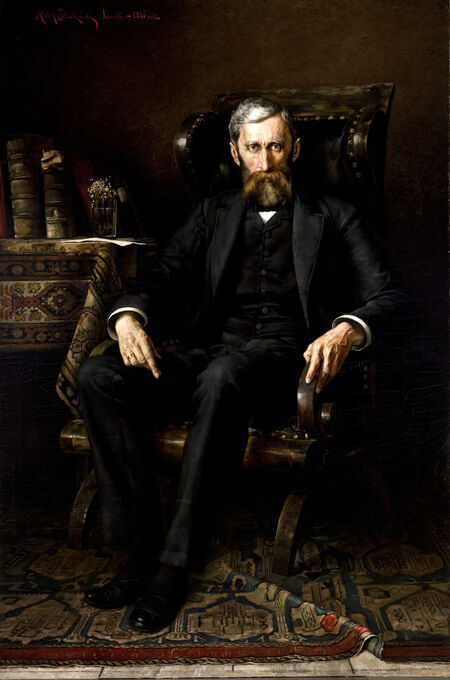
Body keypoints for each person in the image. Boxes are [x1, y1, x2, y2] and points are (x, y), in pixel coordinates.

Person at [77, 97, 404, 633]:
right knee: (100, 375)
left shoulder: (335, 214)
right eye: (253, 148)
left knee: (222, 376)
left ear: (294, 149)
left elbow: (391, 297)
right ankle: (138, 554)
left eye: (276, 146)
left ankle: (173, 568)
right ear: (235, 152)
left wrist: (347, 328)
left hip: (284, 363)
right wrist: (129, 317)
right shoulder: (214, 211)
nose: (265, 160)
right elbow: (162, 275)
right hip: (213, 351)